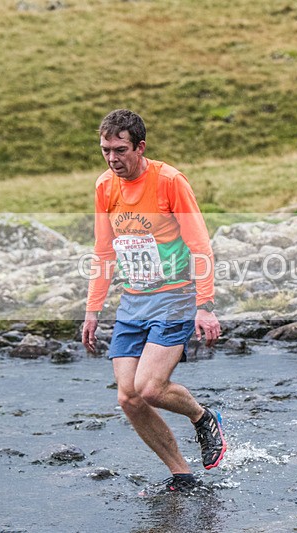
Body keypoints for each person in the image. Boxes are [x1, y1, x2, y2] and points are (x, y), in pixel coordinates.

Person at [81, 109, 226, 493]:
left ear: (140, 147)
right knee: (129, 397)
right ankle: (182, 473)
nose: (113, 158)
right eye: (105, 150)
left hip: (175, 297)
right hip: (133, 302)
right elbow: (103, 252)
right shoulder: (104, 186)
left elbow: (200, 245)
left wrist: (205, 305)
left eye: (120, 149)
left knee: (149, 388)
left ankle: (202, 416)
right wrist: (92, 310)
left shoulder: (168, 181)